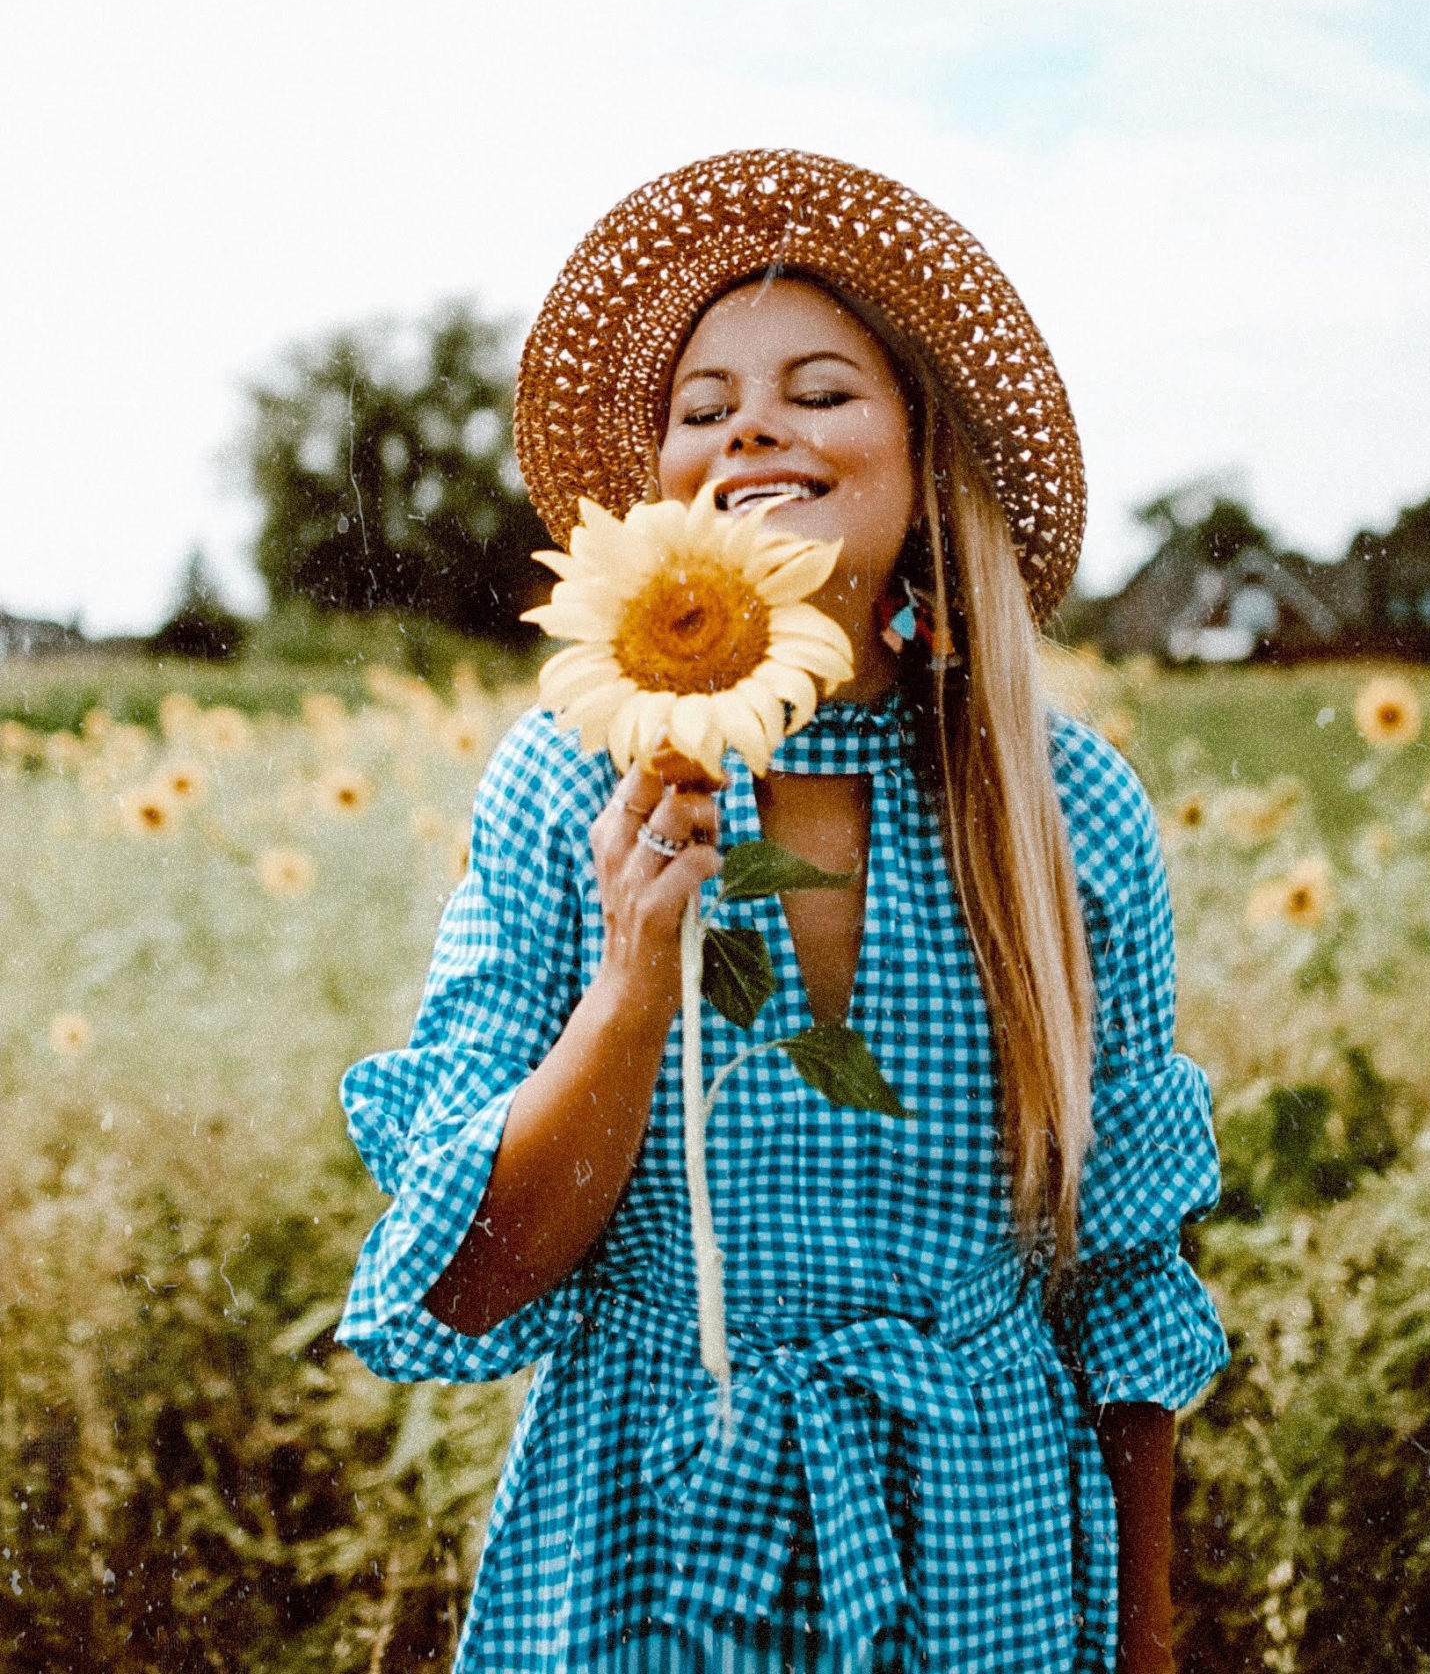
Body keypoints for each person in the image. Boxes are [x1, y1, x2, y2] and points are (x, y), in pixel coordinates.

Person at [336, 149, 1228, 1674]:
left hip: (985, 1544)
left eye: (822, 388)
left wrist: (1144, 1646)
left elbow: (1121, 1286)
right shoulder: (574, 782)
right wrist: (634, 977)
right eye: (703, 406)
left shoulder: (1057, 808)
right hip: (646, 1533)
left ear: (920, 452)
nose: (753, 423)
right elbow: (473, 1274)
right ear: (666, 491)